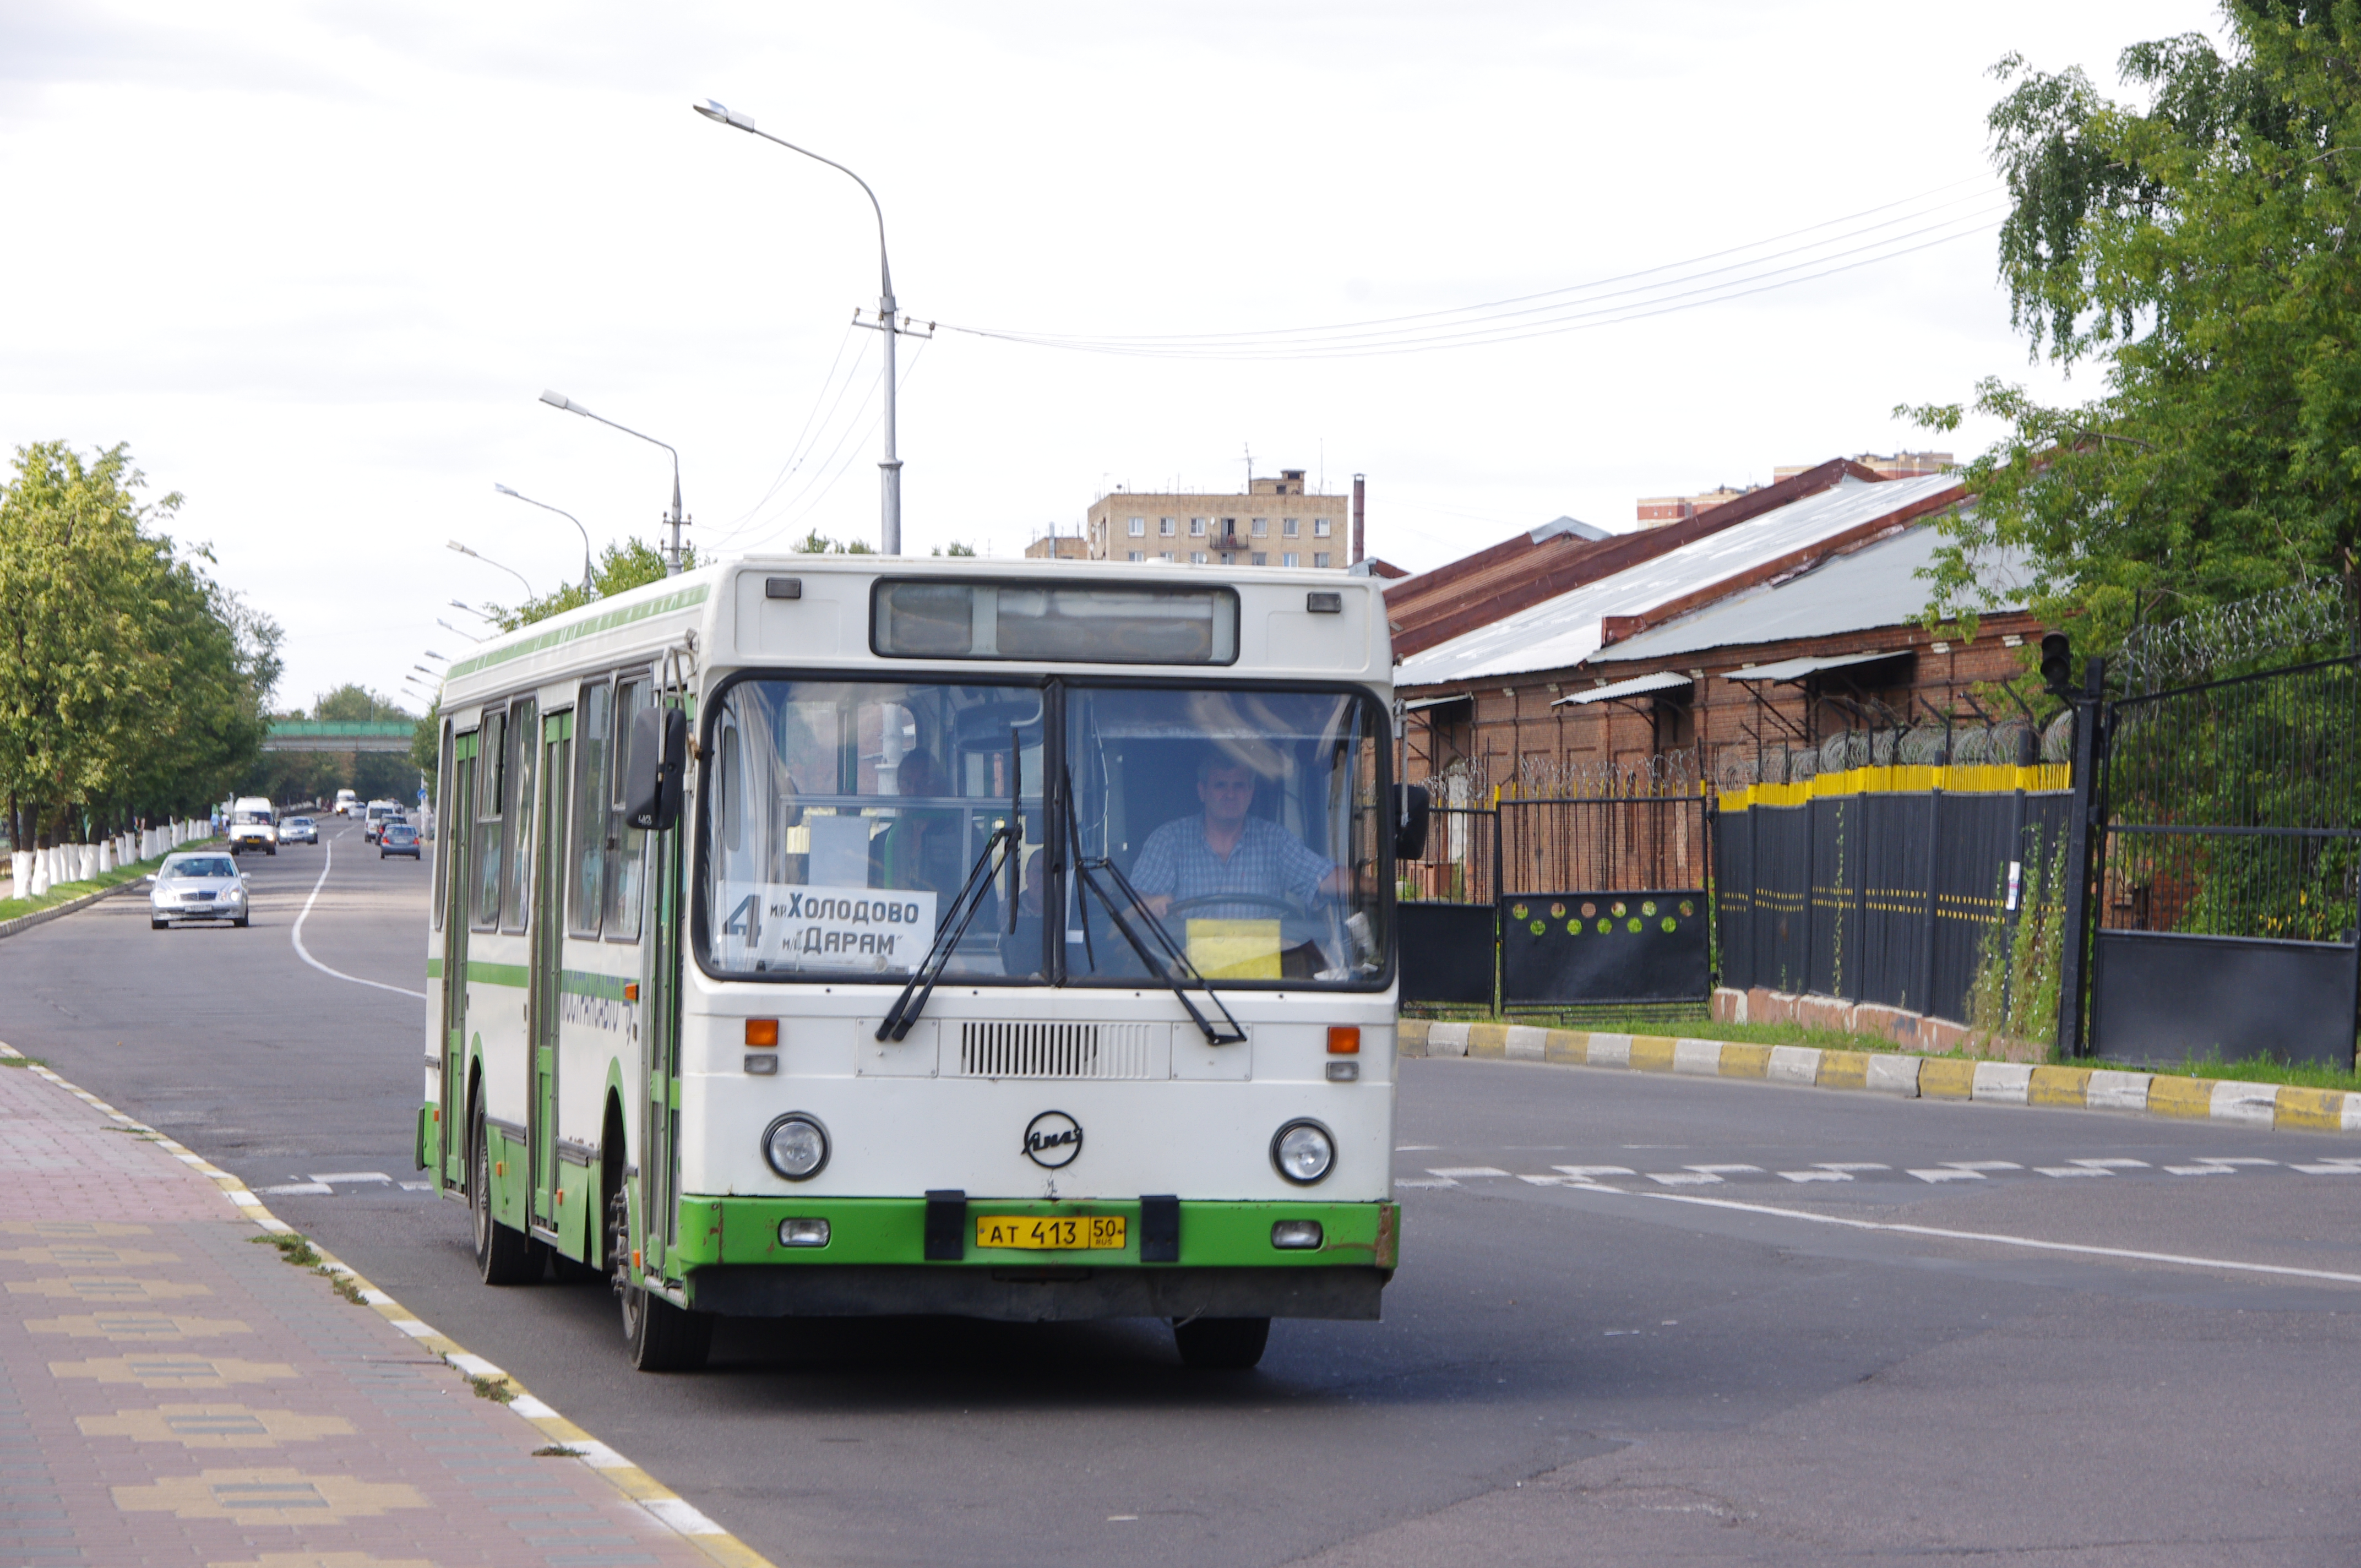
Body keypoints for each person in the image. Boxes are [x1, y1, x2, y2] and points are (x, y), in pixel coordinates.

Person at [1128, 751, 1351, 923]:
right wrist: (1151, 902)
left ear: (1251, 793)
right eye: (1221, 785)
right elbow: (1133, 905)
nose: (1231, 794)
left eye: (1239, 786)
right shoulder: (1169, 840)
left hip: (1262, 976)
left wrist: (1376, 886)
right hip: (1189, 974)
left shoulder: (1275, 841)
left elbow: (1323, 878)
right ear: (1202, 791)